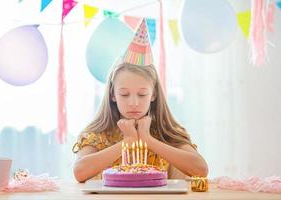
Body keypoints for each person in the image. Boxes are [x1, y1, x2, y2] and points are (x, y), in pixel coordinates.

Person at [72, 19, 208, 182]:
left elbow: (201, 169)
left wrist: (148, 140)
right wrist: (127, 142)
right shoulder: (98, 135)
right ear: (112, 95)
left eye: (142, 94)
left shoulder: (166, 133)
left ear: (153, 95)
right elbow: (79, 172)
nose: (134, 103)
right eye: (124, 94)